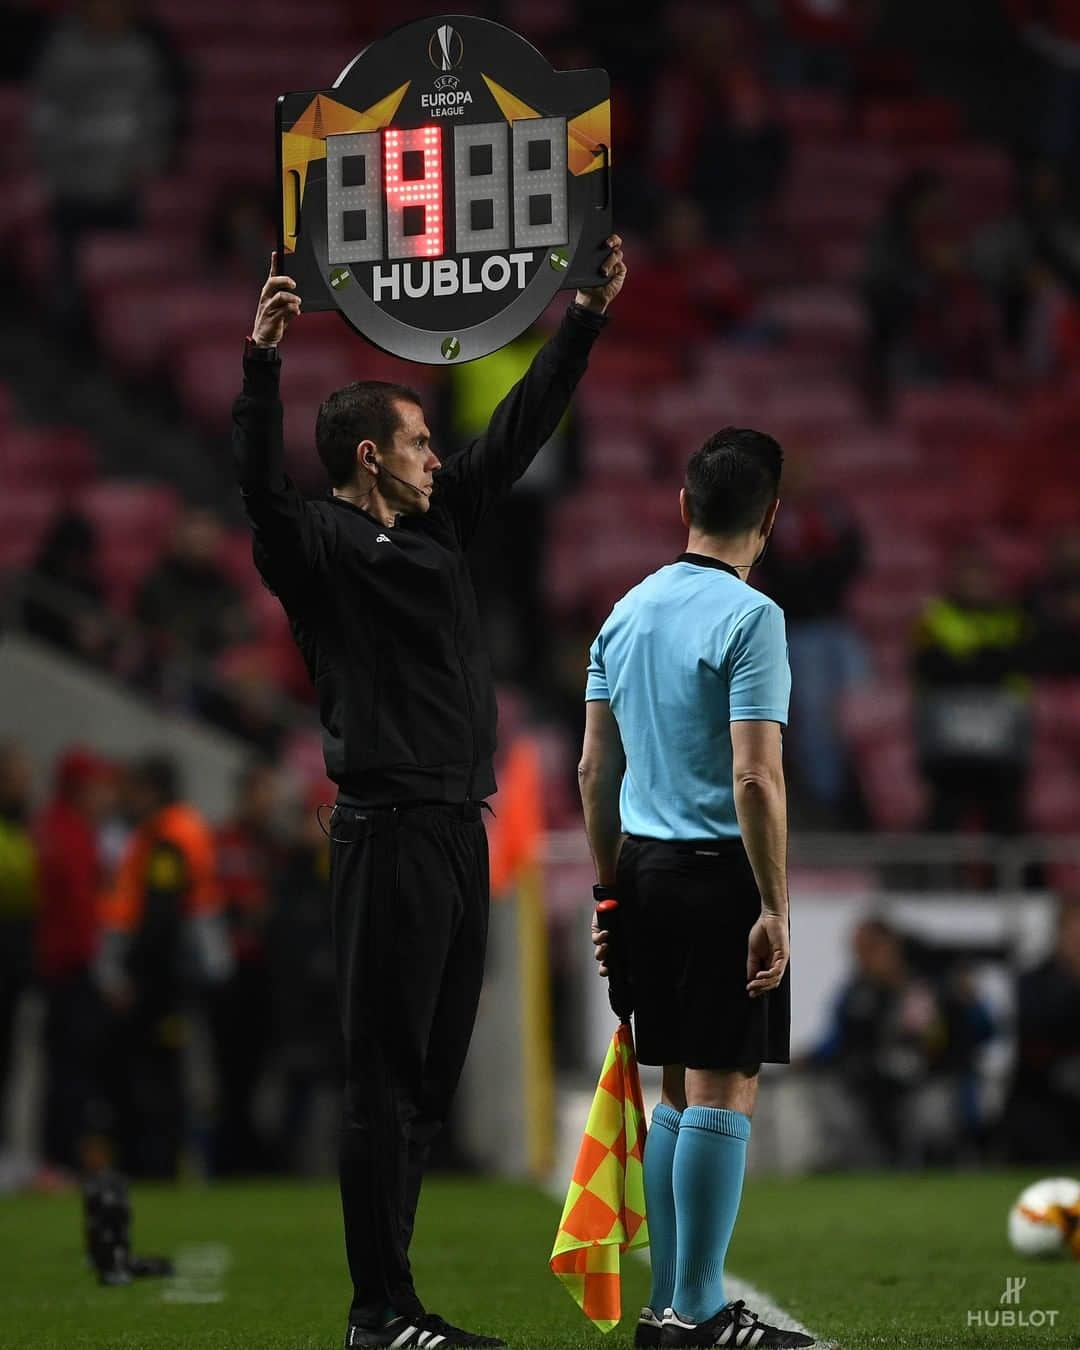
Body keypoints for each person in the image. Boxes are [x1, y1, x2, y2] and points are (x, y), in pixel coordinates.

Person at [232, 239, 626, 1349]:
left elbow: (518, 431)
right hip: (388, 828)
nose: (436, 456)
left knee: (427, 1085)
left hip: (460, 829)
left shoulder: (443, 523)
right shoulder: (317, 544)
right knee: (383, 1078)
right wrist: (263, 362)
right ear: (369, 457)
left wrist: (584, 320)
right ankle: (379, 1311)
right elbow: (260, 490)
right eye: (416, 441)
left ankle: (399, 1308)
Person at [580, 429, 812, 1349]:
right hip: (722, 872)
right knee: (725, 1086)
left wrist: (608, 898)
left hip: (641, 868)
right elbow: (757, 778)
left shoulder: (622, 612)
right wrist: (774, 905)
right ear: (772, 520)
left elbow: (596, 770)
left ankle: (668, 1311)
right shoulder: (754, 618)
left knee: (674, 1086)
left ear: (684, 508)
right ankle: (702, 1310)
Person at [95, 755, 229, 1178]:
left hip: (167, 976)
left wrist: (133, 974)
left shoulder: (168, 838)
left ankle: (160, 1164)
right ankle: (164, 1161)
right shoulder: (176, 830)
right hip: (182, 970)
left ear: (152, 790)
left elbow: (161, 915)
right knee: (169, 1072)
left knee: (160, 1076)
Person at [34, 747, 116, 1172]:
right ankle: (58, 1160)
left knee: (68, 1070)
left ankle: (59, 1159)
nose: (108, 794)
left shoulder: (57, 829)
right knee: (71, 1070)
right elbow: (80, 912)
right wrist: (102, 973)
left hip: (58, 967)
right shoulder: (70, 834)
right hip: (71, 969)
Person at [911, 548, 1031, 835]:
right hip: (947, 734)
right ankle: (937, 877)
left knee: (1004, 815)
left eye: (981, 579)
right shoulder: (934, 616)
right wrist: (985, 660)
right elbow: (934, 665)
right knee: (945, 812)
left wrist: (968, 662)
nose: (976, 586)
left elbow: (1019, 660)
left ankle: (1006, 879)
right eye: (969, 578)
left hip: (1002, 734)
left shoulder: (1011, 618)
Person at [210, 761, 282, 1175]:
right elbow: (231, 902)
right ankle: (230, 1158)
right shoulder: (225, 842)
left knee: (256, 1071)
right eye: (261, 794)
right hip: (231, 971)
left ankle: (246, 1155)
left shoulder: (273, 847)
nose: (268, 803)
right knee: (231, 1071)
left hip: (264, 972)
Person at [1001, 899, 1080, 1164]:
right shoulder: (1034, 982)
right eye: (1074, 931)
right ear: (1059, 934)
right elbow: (1034, 1034)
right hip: (1044, 1093)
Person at [0, 743, 38, 1150]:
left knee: (10, 1060)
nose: (25, 786)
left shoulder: (27, 827)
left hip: (15, 959)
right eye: (16, 777)